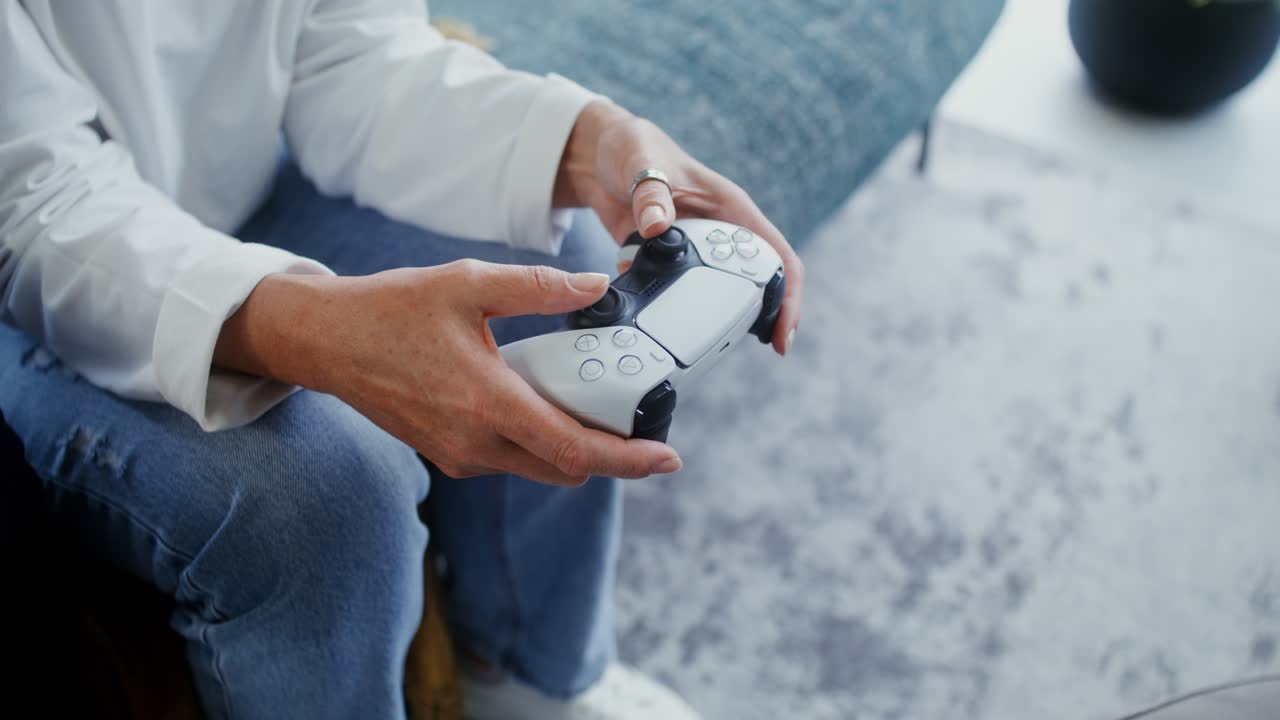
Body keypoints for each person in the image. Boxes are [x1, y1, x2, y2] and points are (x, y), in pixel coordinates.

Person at [0, 2, 804, 719]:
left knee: (568, 263)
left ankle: (523, 678)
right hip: (31, 292)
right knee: (326, 495)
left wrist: (585, 145)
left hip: (224, 189)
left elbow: (346, 50)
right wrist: (305, 328)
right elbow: (31, 201)